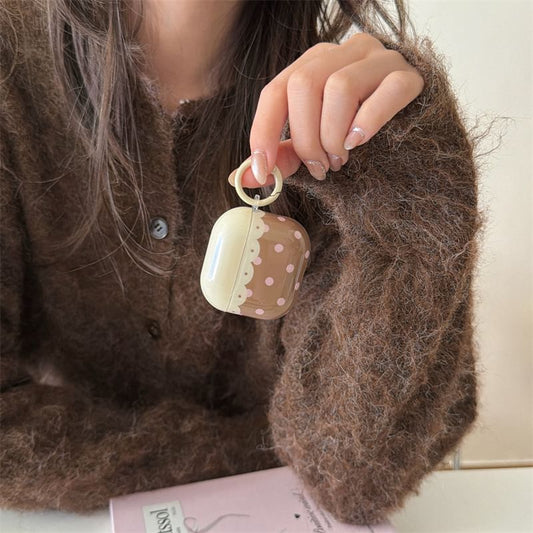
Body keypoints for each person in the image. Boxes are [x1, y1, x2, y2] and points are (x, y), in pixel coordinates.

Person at [0, 0, 481, 525]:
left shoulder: (349, 125)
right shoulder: (10, 63)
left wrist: (412, 216)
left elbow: (353, 477)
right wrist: (259, 454)